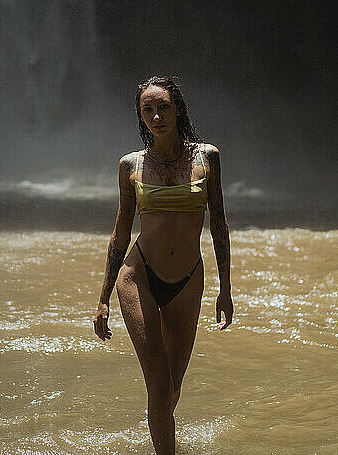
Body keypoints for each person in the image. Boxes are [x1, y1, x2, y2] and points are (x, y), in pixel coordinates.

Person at [93, 75, 233, 455]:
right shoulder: (130, 165)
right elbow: (121, 231)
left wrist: (226, 289)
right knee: (157, 382)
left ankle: (156, 436)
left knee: (172, 388)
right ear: (141, 117)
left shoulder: (207, 157)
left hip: (188, 279)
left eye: (164, 107)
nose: (156, 116)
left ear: (178, 109)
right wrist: (103, 297)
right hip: (139, 276)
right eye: (148, 109)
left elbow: (219, 224)